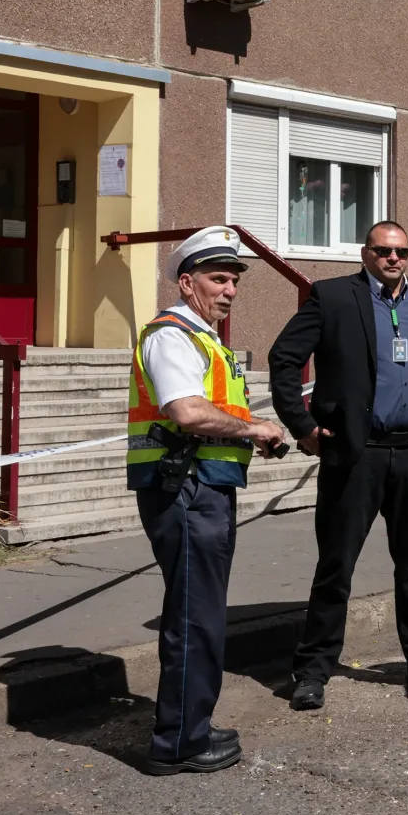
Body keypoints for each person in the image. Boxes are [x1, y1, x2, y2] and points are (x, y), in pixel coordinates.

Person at [270, 221, 408, 713]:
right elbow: (283, 358)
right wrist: (302, 425)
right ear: (365, 253)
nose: (393, 259)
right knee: (337, 564)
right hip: (357, 454)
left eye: (401, 251)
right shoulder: (333, 296)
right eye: (383, 251)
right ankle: (313, 669)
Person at [129, 228, 289, 775]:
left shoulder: (200, 337)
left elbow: (207, 418)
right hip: (185, 490)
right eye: (218, 279)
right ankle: (177, 742)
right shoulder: (171, 334)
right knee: (195, 616)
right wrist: (255, 426)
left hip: (202, 486)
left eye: (234, 281)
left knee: (199, 611)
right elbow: (188, 413)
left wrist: (249, 436)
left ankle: (189, 724)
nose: (230, 291)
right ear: (186, 282)